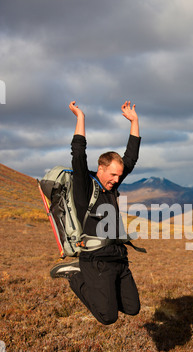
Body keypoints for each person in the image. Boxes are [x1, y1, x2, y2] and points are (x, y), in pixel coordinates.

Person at [50, 100, 142, 325]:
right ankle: (74, 274)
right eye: (112, 175)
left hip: (119, 258)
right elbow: (78, 153)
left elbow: (131, 157)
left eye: (119, 176)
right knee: (108, 317)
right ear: (100, 168)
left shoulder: (113, 186)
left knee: (133, 308)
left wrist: (135, 122)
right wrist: (80, 118)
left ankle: (103, 292)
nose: (116, 180)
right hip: (96, 260)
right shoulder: (84, 186)